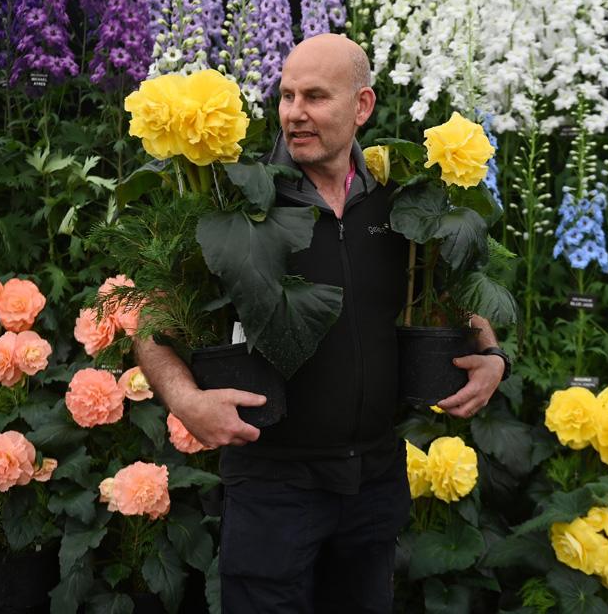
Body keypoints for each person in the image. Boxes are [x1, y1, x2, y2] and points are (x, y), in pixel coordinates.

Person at [134, 33, 507, 613]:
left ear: (362, 106)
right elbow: (152, 318)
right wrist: (185, 400)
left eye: (314, 97)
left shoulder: (398, 199)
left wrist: (492, 354)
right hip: (272, 486)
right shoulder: (241, 199)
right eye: (286, 96)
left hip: (374, 478)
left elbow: (453, 291)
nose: (294, 113)